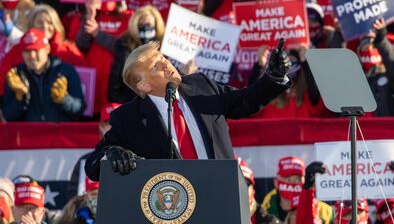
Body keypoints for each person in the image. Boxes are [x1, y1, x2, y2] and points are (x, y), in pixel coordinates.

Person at [85, 39, 292, 180]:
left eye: (163, 58)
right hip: (173, 212)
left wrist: (273, 78)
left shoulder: (201, 85)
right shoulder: (128, 118)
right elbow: (93, 164)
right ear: (144, 86)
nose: (166, 64)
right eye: (156, 66)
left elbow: (246, 101)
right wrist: (112, 154)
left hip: (221, 194)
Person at [2, 28, 86, 121]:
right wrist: (20, 99)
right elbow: (7, 116)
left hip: (59, 134)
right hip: (29, 135)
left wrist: (64, 100)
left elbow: (80, 110)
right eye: (27, 51)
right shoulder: (15, 75)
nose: (32, 56)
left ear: (47, 49)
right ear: (22, 53)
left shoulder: (66, 70)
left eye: (36, 50)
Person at [107, 5, 165, 103]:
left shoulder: (166, 46)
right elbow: (114, 88)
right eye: (141, 25)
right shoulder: (124, 47)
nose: (145, 28)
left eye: (148, 24)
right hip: (134, 104)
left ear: (156, 24)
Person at [66, 102, 121, 200]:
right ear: (101, 128)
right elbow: (74, 198)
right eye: (108, 123)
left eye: (117, 121)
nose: (112, 126)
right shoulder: (86, 161)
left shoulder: (139, 155)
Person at [262, 156, 333, 224]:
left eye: (298, 179)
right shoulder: (264, 212)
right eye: (288, 179)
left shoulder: (325, 212)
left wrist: (315, 222)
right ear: (276, 182)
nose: (294, 183)